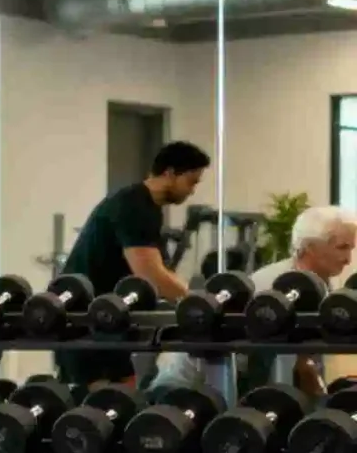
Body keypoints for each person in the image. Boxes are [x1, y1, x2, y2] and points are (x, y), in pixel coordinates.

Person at [150, 204, 356, 399]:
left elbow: (306, 355)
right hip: (189, 385)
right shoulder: (271, 285)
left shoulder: (320, 284)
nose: (348, 259)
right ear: (310, 247)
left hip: (239, 380)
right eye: (342, 248)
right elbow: (264, 363)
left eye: (351, 248)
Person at [56, 141, 208, 390]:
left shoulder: (147, 207)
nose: (192, 191)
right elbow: (150, 274)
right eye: (191, 182)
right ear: (170, 173)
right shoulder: (133, 205)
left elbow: (155, 270)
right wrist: (196, 302)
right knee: (103, 409)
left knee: (125, 396)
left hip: (108, 319)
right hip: (84, 322)